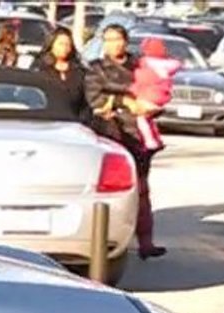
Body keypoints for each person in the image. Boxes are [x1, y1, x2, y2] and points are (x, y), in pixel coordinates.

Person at [85, 23, 166, 260]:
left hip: (140, 133)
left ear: (126, 41)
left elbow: (157, 91)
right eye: (109, 40)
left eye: (118, 39)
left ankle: (146, 242)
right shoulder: (97, 69)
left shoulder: (140, 66)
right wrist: (123, 101)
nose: (114, 44)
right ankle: (103, 241)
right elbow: (94, 98)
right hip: (112, 133)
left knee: (142, 189)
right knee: (110, 191)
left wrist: (150, 107)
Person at [128, 37, 182, 153]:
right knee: (149, 119)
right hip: (161, 97)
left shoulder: (144, 64)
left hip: (148, 96)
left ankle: (149, 141)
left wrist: (132, 91)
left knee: (141, 117)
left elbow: (140, 81)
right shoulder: (169, 65)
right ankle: (156, 139)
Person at [34, 27, 90, 121]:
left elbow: (86, 101)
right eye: (61, 44)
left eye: (67, 44)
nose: (65, 48)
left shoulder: (79, 70)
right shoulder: (39, 68)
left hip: (75, 119)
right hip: (47, 118)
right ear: (52, 45)